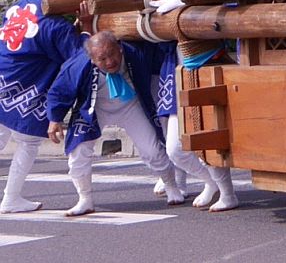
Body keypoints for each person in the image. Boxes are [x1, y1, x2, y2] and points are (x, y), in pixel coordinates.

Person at [46, 31, 182, 216]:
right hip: (94, 108)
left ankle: (171, 185)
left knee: (152, 151)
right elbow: (59, 91)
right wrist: (54, 119)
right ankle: (85, 199)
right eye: (102, 59)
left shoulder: (135, 52)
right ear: (92, 59)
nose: (110, 62)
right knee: (78, 152)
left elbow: (161, 51)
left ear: (120, 48)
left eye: (112, 54)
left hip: (131, 105)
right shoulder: (79, 64)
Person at [0, 0, 84, 213]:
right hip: (23, 83)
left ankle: (12, 199)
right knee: (28, 142)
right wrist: (86, 26)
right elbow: (79, 55)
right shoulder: (56, 26)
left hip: (3, 70)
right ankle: (11, 198)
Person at [155, 41, 238, 212]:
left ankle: (227, 194)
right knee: (175, 149)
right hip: (177, 76)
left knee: (209, 140)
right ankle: (211, 182)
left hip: (207, 63)